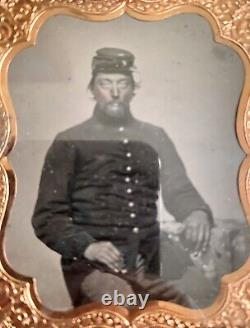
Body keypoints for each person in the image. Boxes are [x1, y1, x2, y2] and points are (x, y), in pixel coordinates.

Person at [32, 48, 213, 308]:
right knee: (122, 308)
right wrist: (88, 247)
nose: (115, 92)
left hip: (146, 264)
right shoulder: (69, 141)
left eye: (122, 84)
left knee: (191, 312)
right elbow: (47, 216)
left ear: (133, 89)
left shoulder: (155, 136)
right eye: (105, 83)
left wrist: (196, 212)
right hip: (91, 266)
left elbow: (178, 187)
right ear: (92, 89)